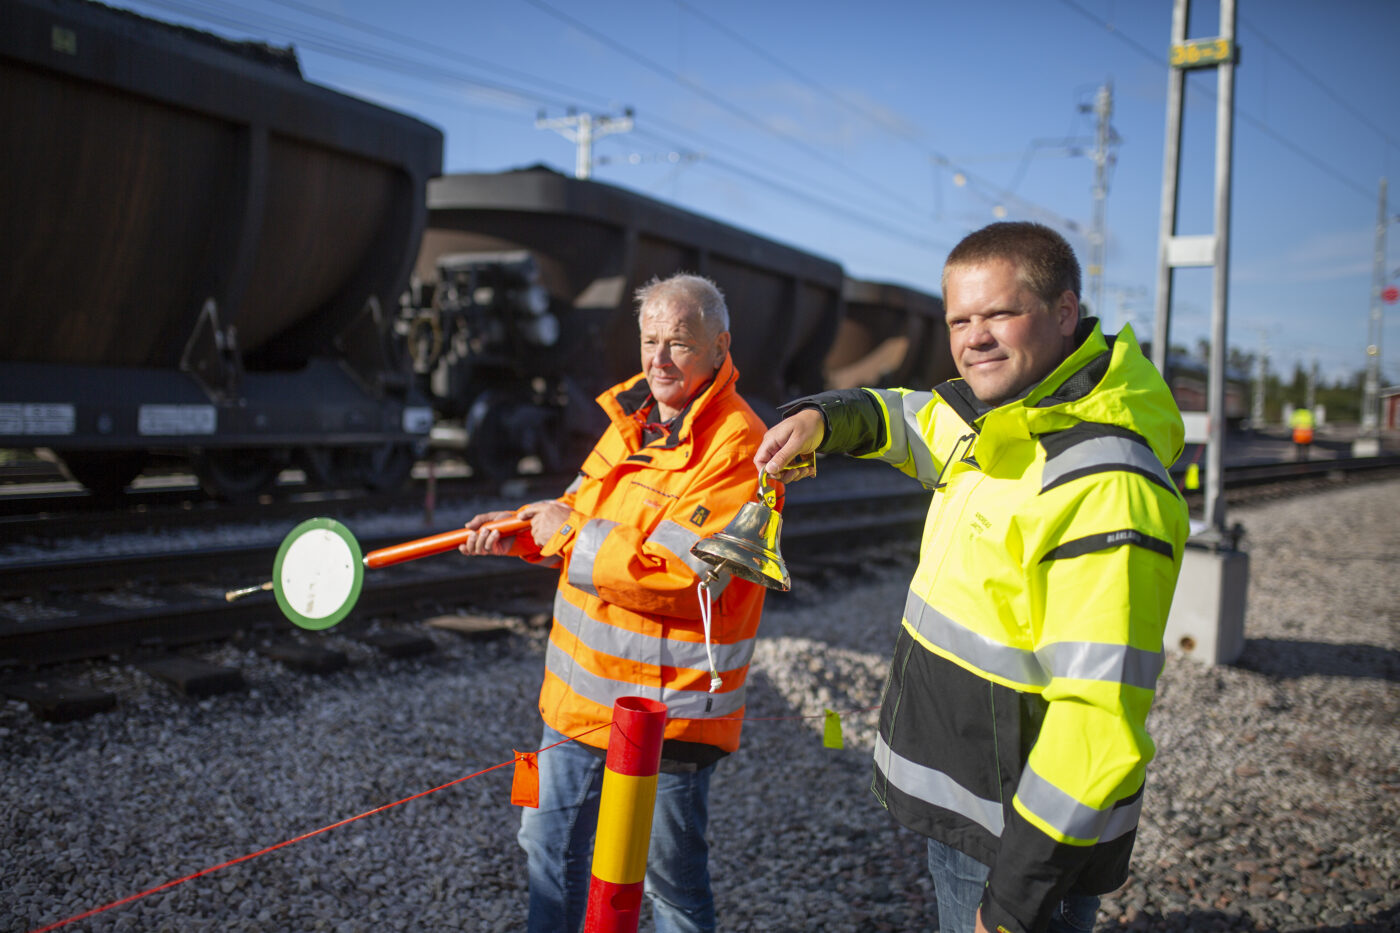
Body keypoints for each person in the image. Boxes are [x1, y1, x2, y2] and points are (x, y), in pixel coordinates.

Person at [755, 222, 1190, 933]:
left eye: (998, 314)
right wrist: (821, 419)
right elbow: (907, 417)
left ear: (1063, 312)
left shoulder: (1106, 483)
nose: (974, 337)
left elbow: (1098, 724)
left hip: (1012, 840)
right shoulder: (997, 420)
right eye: (960, 318)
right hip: (969, 810)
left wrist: (1015, 902)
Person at [459, 273, 775, 933]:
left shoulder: (740, 448)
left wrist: (567, 534)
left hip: (669, 714)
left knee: (668, 887)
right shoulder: (632, 422)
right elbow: (576, 510)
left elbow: (690, 575)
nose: (659, 359)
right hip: (577, 700)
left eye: (678, 344)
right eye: (650, 341)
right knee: (548, 848)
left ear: (719, 347)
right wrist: (522, 529)